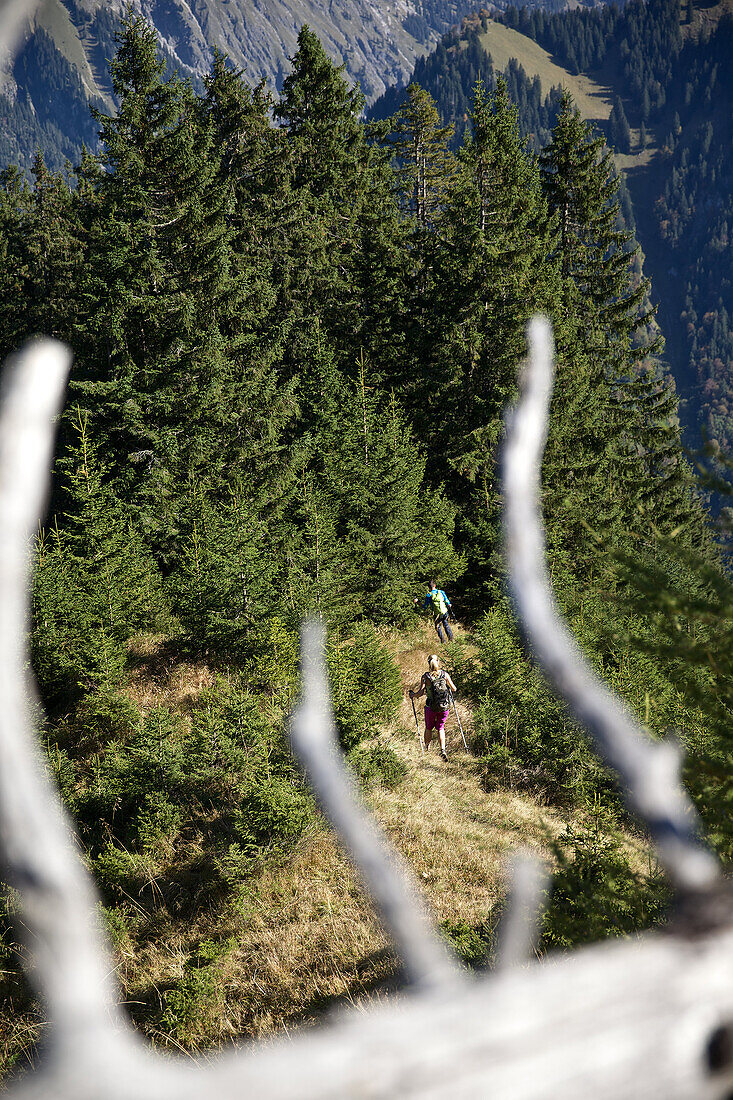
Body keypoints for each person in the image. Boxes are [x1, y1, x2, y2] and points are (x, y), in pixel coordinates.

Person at [409, 654, 456, 761]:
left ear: (428, 663)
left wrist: (413, 695)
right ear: (438, 662)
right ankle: (442, 750)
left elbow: (420, 693)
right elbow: (454, 689)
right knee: (440, 727)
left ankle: (426, 749)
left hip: (430, 707)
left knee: (429, 728)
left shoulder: (426, 677)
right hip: (444, 706)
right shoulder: (445, 674)